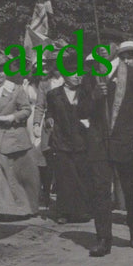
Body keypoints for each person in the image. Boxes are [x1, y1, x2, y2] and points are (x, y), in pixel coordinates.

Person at [86, 41, 133, 254]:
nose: (103, 47)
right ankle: (103, 239)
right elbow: (80, 111)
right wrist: (94, 96)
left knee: (130, 189)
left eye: (108, 43)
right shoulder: (90, 76)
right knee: (100, 192)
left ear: (117, 48)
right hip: (99, 143)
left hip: (126, 142)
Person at [0, 53, 41, 221]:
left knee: (18, 177)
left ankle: (24, 208)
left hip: (15, 137)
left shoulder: (16, 89)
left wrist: (11, 117)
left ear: (6, 71)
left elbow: (26, 109)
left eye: (1, 71)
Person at [44, 49, 93, 224]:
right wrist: (49, 119)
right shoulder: (53, 94)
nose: (76, 76)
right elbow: (50, 112)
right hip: (61, 140)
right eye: (72, 73)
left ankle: (82, 211)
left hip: (82, 140)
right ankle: (63, 212)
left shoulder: (86, 92)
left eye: (78, 72)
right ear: (64, 75)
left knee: (81, 175)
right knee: (64, 177)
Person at [31, 50, 64, 208]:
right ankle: (45, 192)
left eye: (59, 61)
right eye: (53, 62)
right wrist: (37, 124)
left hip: (68, 125)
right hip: (50, 125)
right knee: (46, 158)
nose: (56, 65)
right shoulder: (45, 83)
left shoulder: (71, 80)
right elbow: (40, 106)